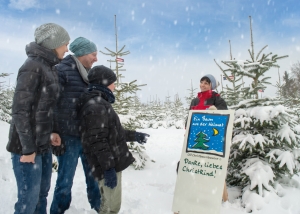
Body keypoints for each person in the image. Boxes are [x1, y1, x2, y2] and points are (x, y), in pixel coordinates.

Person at [6, 23, 70, 214]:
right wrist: (28, 149)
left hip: (42, 145)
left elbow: (46, 108)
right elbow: (20, 110)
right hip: (27, 149)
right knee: (29, 200)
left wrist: (53, 132)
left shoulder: (50, 68)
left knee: (41, 195)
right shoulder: (32, 67)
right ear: (53, 43)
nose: (67, 49)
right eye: (65, 44)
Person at [78, 65, 150, 214]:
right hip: (107, 165)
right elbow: (98, 140)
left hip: (109, 162)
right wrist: (108, 168)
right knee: (110, 207)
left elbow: (112, 132)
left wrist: (134, 135)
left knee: (111, 205)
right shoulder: (97, 106)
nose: (115, 87)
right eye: (112, 83)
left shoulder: (99, 102)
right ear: (103, 83)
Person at [50, 37, 101, 214]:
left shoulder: (90, 74)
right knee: (65, 180)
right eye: (93, 54)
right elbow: (51, 103)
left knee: (94, 176)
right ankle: (58, 210)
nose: (96, 58)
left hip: (88, 136)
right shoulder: (61, 71)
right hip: (68, 136)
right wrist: (55, 131)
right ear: (81, 54)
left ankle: (99, 207)